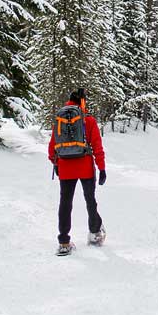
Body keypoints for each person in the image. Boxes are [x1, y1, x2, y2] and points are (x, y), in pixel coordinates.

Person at [48, 88, 106, 256]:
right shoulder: (88, 121)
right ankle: (95, 233)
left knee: (65, 204)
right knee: (90, 200)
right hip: (86, 167)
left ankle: (64, 243)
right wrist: (101, 168)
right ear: (82, 101)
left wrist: (57, 163)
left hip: (66, 168)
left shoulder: (60, 120)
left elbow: (52, 148)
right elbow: (97, 147)